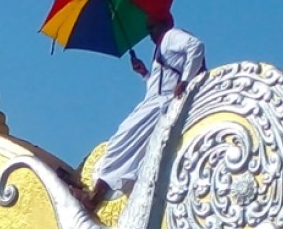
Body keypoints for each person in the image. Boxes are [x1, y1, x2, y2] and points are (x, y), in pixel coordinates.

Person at [82, 14, 205, 211]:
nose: (150, 34)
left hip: (160, 106)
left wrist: (185, 81)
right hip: (155, 103)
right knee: (123, 143)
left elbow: (195, 46)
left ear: (165, 24)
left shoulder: (171, 36)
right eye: (148, 29)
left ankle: (95, 197)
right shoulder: (163, 45)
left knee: (120, 141)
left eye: (153, 28)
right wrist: (144, 73)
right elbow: (159, 86)